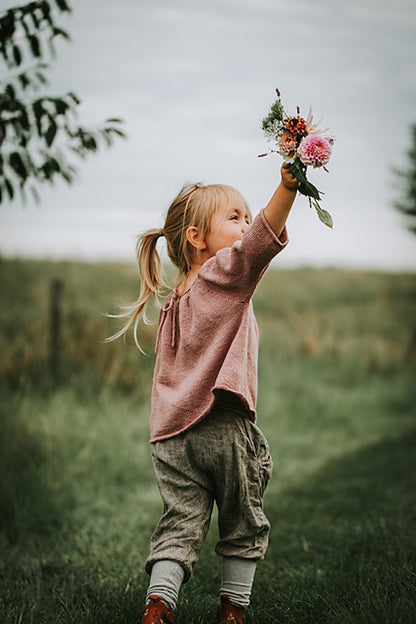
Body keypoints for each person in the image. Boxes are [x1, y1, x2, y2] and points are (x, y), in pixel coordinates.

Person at [113, 163, 298, 624]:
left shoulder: (175, 298)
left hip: (171, 437)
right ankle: (232, 612)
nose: (247, 223)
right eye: (234, 217)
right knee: (242, 520)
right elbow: (263, 239)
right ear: (198, 238)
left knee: (179, 524)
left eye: (246, 214)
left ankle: (158, 607)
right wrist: (287, 187)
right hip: (221, 425)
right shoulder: (225, 277)